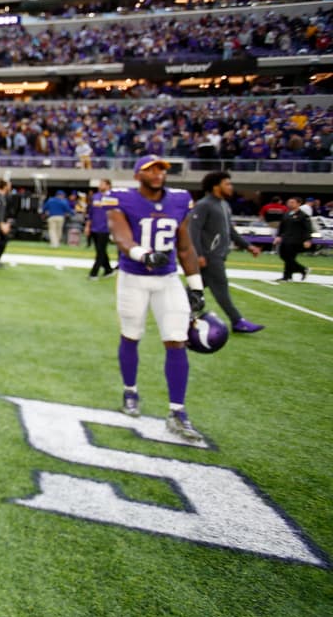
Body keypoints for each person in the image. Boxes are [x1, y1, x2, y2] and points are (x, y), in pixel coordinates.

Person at [107, 155, 206, 443]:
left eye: (162, 169)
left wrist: (196, 286)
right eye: (152, 169)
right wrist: (144, 255)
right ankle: (130, 391)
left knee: (177, 340)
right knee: (131, 335)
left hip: (167, 279)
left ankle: (177, 411)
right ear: (138, 174)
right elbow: (122, 238)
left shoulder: (180, 199)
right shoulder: (120, 198)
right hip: (133, 278)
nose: (159, 173)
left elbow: (185, 247)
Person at [187, 171, 264, 332]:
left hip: (219, 256)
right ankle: (237, 321)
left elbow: (231, 231)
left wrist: (248, 246)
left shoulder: (224, 205)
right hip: (210, 256)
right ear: (216, 186)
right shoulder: (204, 205)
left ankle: (173, 309)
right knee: (221, 288)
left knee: (194, 288)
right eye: (227, 183)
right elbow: (193, 231)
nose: (231, 187)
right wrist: (198, 254)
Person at [84, 179, 116, 279]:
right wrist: (88, 226)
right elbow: (91, 213)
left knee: (100, 252)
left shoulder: (113, 197)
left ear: (108, 185)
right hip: (95, 227)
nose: (100, 185)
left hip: (105, 228)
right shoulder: (95, 197)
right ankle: (108, 270)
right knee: (100, 251)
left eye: (102, 184)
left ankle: (94, 273)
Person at [275, 197, 314, 282]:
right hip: (285, 239)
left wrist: (308, 239)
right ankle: (303, 269)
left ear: (299, 204)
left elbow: (308, 229)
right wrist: (278, 236)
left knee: (289, 257)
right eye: (289, 202)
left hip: (296, 240)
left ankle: (287, 276)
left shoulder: (303, 215)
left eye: (292, 202)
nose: (289, 204)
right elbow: (282, 226)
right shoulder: (286, 214)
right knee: (284, 256)